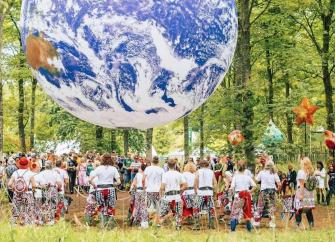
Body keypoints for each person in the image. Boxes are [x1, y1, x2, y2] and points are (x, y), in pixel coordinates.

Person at [90, 154, 121, 229]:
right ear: (110, 159)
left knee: (101, 207)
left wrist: (94, 185)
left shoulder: (98, 168)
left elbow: (89, 179)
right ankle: (110, 225)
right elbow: (119, 182)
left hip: (100, 190)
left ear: (102, 159)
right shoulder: (113, 168)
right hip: (110, 189)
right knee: (111, 207)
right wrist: (113, 184)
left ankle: (102, 224)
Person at [158, 159, 186, 230]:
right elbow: (185, 185)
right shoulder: (179, 174)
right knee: (178, 214)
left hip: (167, 197)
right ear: (175, 165)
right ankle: (178, 227)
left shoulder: (165, 174)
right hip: (177, 197)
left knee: (162, 214)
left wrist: (161, 193)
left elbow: (162, 187)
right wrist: (180, 190)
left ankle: (161, 227)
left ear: (167, 165)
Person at [8, 157, 36, 225]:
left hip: (16, 194)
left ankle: (13, 224)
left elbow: (9, 184)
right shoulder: (30, 173)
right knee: (28, 208)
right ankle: (28, 223)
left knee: (15, 209)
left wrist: (14, 188)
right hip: (27, 193)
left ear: (19, 164)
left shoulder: (15, 172)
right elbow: (34, 185)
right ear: (27, 164)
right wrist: (33, 191)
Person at [230, 160, 257, 232]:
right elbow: (255, 186)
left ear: (237, 168)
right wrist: (249, 191)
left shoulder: (235, 177)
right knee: (248, 213)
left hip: (238, 195)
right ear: (245, 168)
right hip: (247, 196)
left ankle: (232, 230)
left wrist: (232, 194)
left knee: (235, 213)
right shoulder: (248, 177)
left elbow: (232, 187)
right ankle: (249, 230)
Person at [254, 161, 281, 228]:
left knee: (260, 206)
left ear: (266, 165)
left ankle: (256, 222)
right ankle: (272, 223)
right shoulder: (274, 173)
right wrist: (277, 190)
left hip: (264, 191)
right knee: (271, 207)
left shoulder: (262, 172)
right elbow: (279, 184)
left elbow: (256, 181)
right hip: (272, 191)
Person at [193, 159, 217, 230]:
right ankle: (211, 225)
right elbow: (215, 183)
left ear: (200, 165)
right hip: (209, 192)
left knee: (196, 208)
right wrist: (214, 192)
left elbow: (195, 182)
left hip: (201, 192)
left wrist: (196, 191)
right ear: (207, 165)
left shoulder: (198, 171)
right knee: (211, 209)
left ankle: (197, 225)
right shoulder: (211, 172)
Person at [38, 160, 62, 225]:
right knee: (53, 204)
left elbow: (37, 183)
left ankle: (42, 220)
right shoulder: (55, 173)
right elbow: (60, 184)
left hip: (44, 189)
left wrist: (42, 186)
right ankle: (51, 220)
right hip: (53, 188)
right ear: (52, 165)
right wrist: (58, 188)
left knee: (43, 204)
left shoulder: (41, 173)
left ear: (45, 166)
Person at [294, 157, 315, 229]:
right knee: (308, 210)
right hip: (309, 193)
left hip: (302, 191)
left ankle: (298, 225)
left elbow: (302, 184)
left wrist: (301, 195)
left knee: (298, 209)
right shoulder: (311, 172)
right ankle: (311, 225)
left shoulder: (301, 172)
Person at [130, 164, 149, 229]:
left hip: (138, 191)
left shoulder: (138, 174)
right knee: (143, 207)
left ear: (141, 168)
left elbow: (134, 184)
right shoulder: (147, 175)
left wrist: (134, 189)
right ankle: (144, 222)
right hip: (145, 191)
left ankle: (135, 220)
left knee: (137, 206)